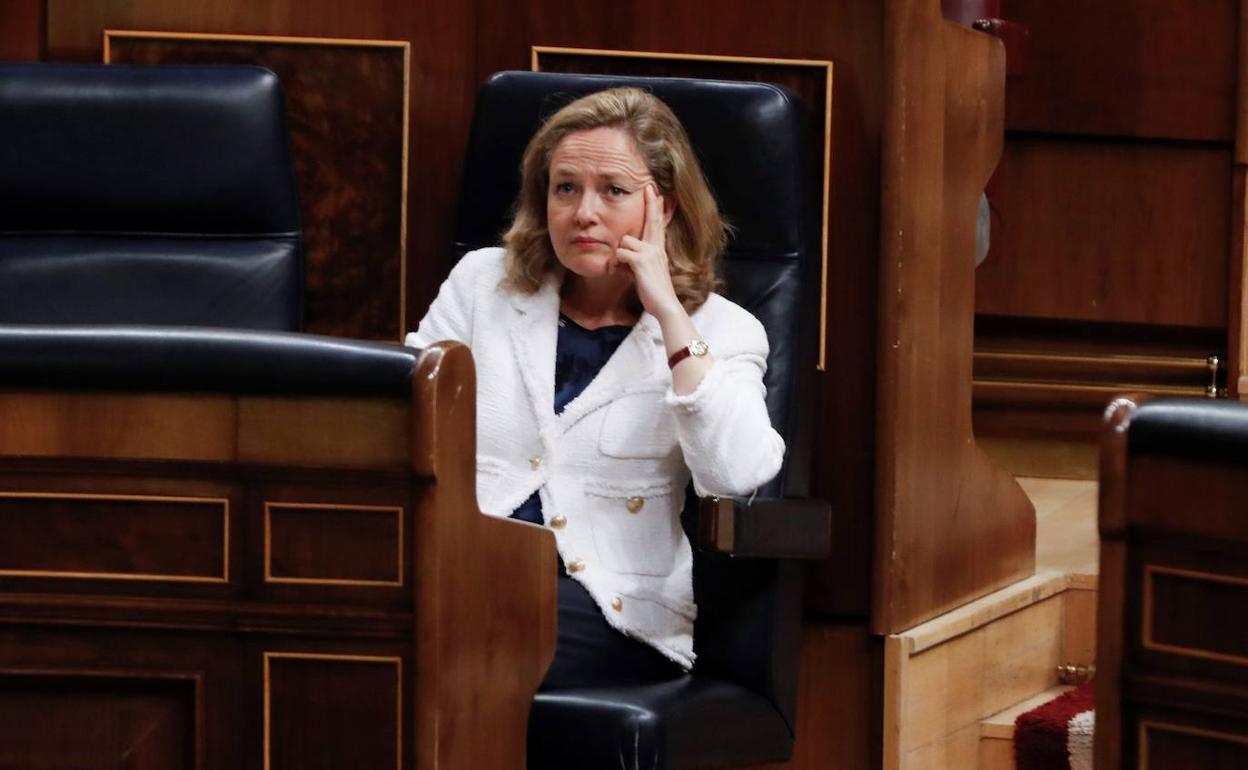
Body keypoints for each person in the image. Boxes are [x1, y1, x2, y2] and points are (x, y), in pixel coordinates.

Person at [406, 87, 784, 689]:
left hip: (608, 602)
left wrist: (668, 314)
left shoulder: (721, 329)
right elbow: (404, 412)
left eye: (613, 190)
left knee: (461, 648)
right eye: (565, 188)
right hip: (457, 568)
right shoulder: (482, 285)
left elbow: (736, 474)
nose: (584, 212)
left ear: (664, 207)